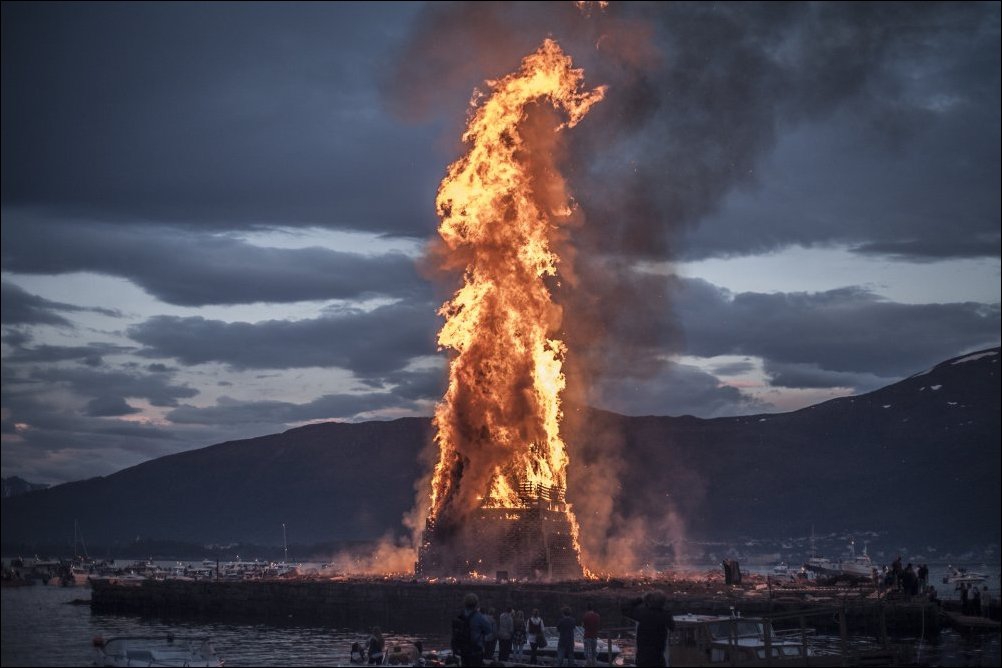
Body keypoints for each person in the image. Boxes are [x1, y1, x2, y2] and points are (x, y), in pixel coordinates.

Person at [622, 591, 675, 667]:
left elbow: (625, 608)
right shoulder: (665, 615)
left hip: (643, 656)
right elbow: (672, 627)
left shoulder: (642, 613)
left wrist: (640, 599)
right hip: (658, 656)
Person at [452, 593, 493, 667]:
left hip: (463, 650)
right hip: (476, 650)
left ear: (465, 603)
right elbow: (489, 630)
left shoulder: (460, 616)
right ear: (476, 604)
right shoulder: (479, 617)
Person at [582, 601, 600, 667]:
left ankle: (588, 664)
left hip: (587, 636)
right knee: (594, 651)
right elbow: (598, 625)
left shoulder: (585, 616)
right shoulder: (597, 616)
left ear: (587, 608)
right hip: (595, 636)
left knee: (587, 651)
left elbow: (584, 626)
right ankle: (594, 664)